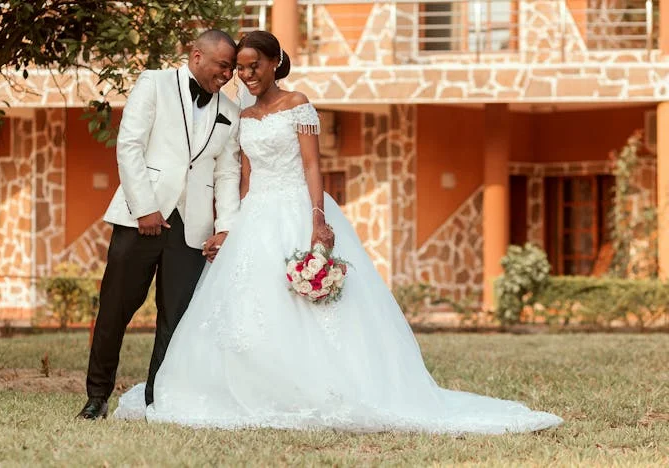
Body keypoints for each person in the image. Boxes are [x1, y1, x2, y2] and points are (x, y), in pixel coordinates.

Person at [114, 30, 563, 434]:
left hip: (298, 210)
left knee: (310, 307)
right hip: (255, 218)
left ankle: (320, 389)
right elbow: (243, 177)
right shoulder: (243, 117)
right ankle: (247, 387)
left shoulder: (299, 105)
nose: (245, 75)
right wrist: (229, 228)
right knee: (244, 307)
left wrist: (316, 218)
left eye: (254, 66)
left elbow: (313, 164)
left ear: (275, 63)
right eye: (240, 68)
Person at [76, 30, 241, 420]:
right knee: (115, 309)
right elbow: (129, 144)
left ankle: (158, 400)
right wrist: (144, 208)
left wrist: (226, 226)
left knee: (176, 319)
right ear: (196, 55)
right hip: (140, 218)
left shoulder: (231, 113)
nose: (228, 75)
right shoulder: (154, 82)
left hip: (193, 229)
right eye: (222, 65)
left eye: (231, 68)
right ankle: (96, 397)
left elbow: (228, 173)